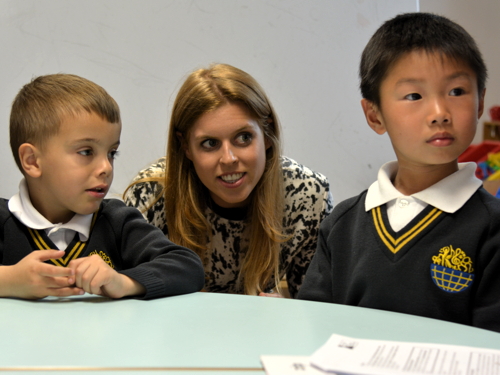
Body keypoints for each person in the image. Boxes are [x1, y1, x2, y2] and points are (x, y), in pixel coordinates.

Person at [298, 12, 500, 332]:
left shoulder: (492, 228)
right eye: (414, 96)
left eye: (457, 91)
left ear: (479, 103)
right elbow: (314, 328)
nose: (439, 113)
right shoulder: (342, 224)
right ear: (374, 115)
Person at [124, 63, 333, 297]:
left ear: (267, 134)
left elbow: (318, 308)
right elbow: (123, 297)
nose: (229, 158)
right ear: (186, 147)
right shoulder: (152, 194)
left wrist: (288, 310)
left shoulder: (309, 195)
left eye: (243, 138)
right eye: (210, 144)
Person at [0, 74, 204, 300]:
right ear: (32, 161)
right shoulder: (4, 221)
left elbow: (187, 267)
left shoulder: (117, 222)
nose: (106, 167)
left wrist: (123, 281)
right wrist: (8, 280)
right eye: (86, 152)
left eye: (111, 153)